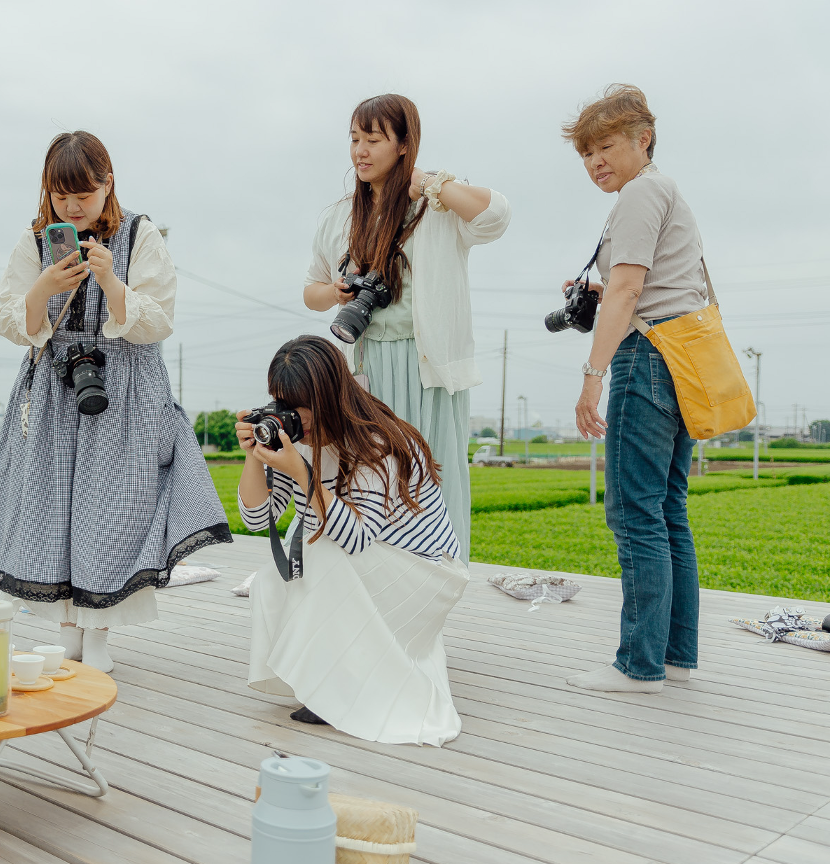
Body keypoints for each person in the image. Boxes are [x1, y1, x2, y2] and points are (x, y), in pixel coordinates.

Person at [0, 131, 231, 672]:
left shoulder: (140, 234)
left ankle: (99, 635)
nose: (72, 207)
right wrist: (44, 287)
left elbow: (157, 321)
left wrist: (110, 281)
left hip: (125, 391)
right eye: (60, 196)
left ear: (108, 183)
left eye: (84, 195)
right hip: (54, 388)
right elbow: (9, 321)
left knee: (113, 512)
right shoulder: (35, 241)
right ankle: (68, 633)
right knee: (53, 509)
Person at [303, 94, 510, 563]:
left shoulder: (437, 205)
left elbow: (497, 215)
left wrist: (432, 184)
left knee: (435, 475)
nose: (360, 151)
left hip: (427, 365)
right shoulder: (339, 216)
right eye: (354, 139)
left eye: (373, 139)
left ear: (403, 144)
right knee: (373, 478)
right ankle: (378, 575)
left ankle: (440, 573)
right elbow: (310, 291)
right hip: (368, 366)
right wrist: (335, 292)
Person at [238, 336, 468, 746]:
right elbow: (256, 519)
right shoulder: (296, 440)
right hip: (371, 565)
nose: (293, 415)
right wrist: (254, 454)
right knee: (275, 574)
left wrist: (302, 474)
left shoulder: (377, 442)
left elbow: (356, 538)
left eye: (301, 404)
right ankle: (322, 678)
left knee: (319, 551)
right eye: (282, 403)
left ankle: (339, 688)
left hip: (423, 575)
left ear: (330, 395)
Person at [560, 85, 705, 693]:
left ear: (643, 139)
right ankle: (674, 657)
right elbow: (647, 285)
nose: (596, 162)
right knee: (668, 509)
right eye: (586, 153)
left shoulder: (641, 193)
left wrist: (592, 377)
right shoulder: (662, 190)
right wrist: (604, 293)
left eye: (606, 147)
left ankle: (638, 665)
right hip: (681, 356)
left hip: (646, 358)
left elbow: (627, 290)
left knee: (634, 512)